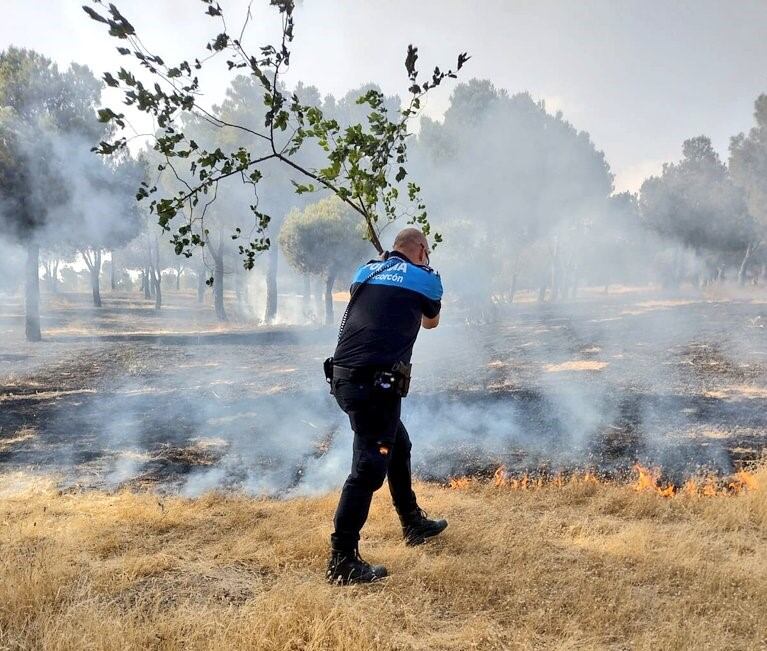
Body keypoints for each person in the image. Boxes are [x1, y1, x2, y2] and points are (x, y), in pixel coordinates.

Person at [326, 227, 448, 585]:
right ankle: (342, 560)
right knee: (367, 469)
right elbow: (431, 323)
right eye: (427, 253)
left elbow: (371, 302)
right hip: (374, 386)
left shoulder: (364, 271)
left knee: (399, 445)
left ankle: (412, 522)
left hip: (344, 380)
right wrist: (419, 275)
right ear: (422, 250)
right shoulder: (426, 278)